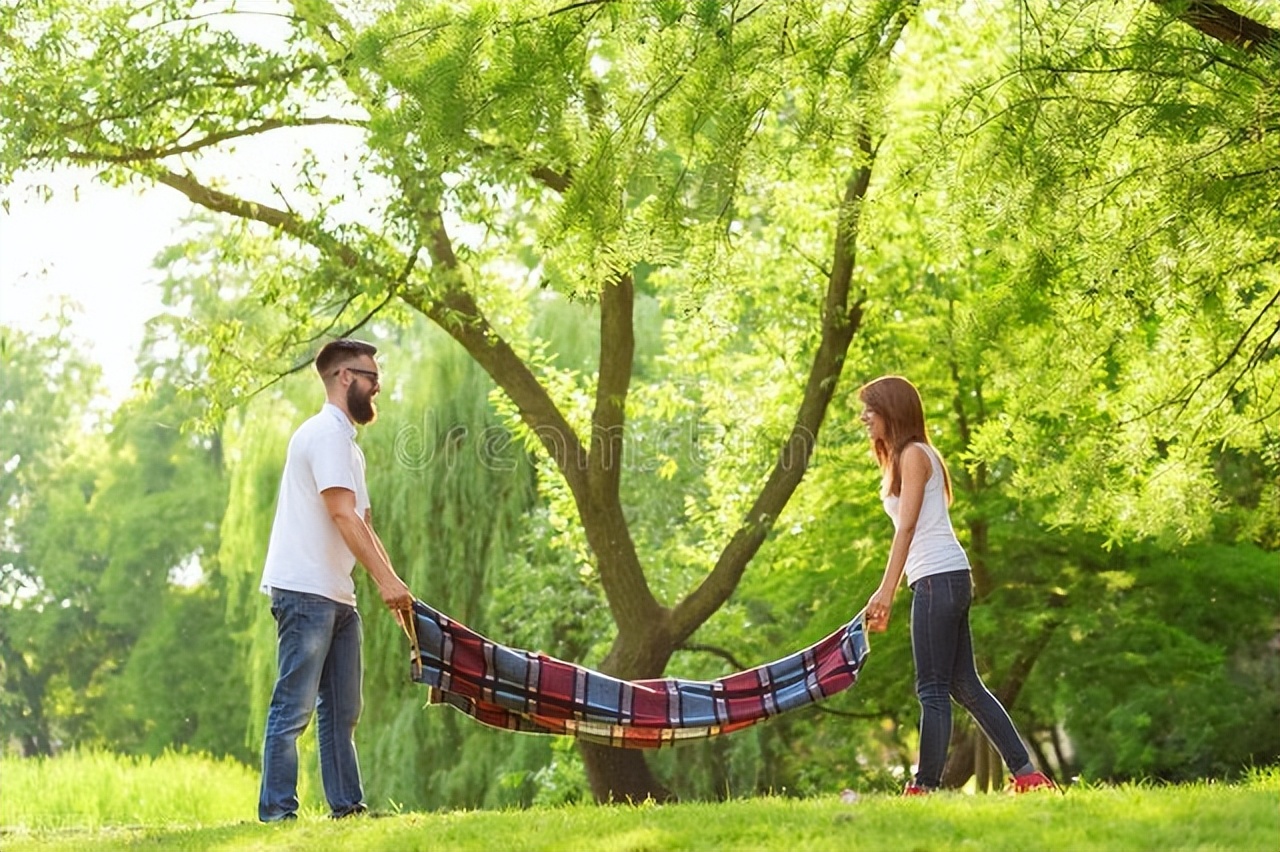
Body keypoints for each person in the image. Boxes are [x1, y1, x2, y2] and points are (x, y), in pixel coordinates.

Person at [858, 375, 1055, 796]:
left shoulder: (913, 454)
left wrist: (885, 592)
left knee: (931, 688)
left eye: (869, 409)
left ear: (891, 410)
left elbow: (907, 527)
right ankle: (1027, 774)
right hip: (946, 578)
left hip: (935, 579)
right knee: (965, 685)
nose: (863, 418)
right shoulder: (908, 456)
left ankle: (924, 786)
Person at [257, 338, 416, 822]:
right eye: (371, 377)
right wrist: (385, 583)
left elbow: (363, 523)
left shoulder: (348, 447)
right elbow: (341, 515)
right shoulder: (323, 435)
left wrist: (392, 583)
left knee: (343, 710)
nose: (377, 386)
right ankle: (277, 812)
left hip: (337, 594)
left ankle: (347, 807)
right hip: (304, 590)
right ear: (344, 377)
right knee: (294, 707)